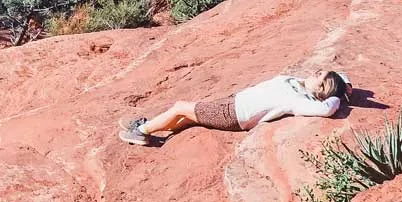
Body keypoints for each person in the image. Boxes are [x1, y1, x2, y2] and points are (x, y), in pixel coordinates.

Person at [119, 70, 353, 146]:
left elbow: (327, 109)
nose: (314, 73)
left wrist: (340, 98)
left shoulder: (299, 100)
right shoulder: (299, 83)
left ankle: (142, 132)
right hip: (233, 103)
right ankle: (155, 131)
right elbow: (340, 76)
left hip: (233, 114)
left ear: (322, 90)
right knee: (191, 117)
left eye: (319, 77)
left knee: (181, 107)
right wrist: (347, 85)